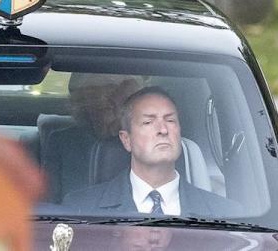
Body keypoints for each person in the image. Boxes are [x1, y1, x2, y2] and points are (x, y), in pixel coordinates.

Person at [63, 86, 240, 217]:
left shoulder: (226, 214)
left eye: (170, 120)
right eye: (148, 122)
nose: (163, 130)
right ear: (126, 139)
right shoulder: (81, 209)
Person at [43, 74, 142, 202]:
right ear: (82, 105)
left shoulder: (143, 141)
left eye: (114, 98)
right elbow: (48, 202)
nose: (105, 103)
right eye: (95, 99)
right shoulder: (61, 141)